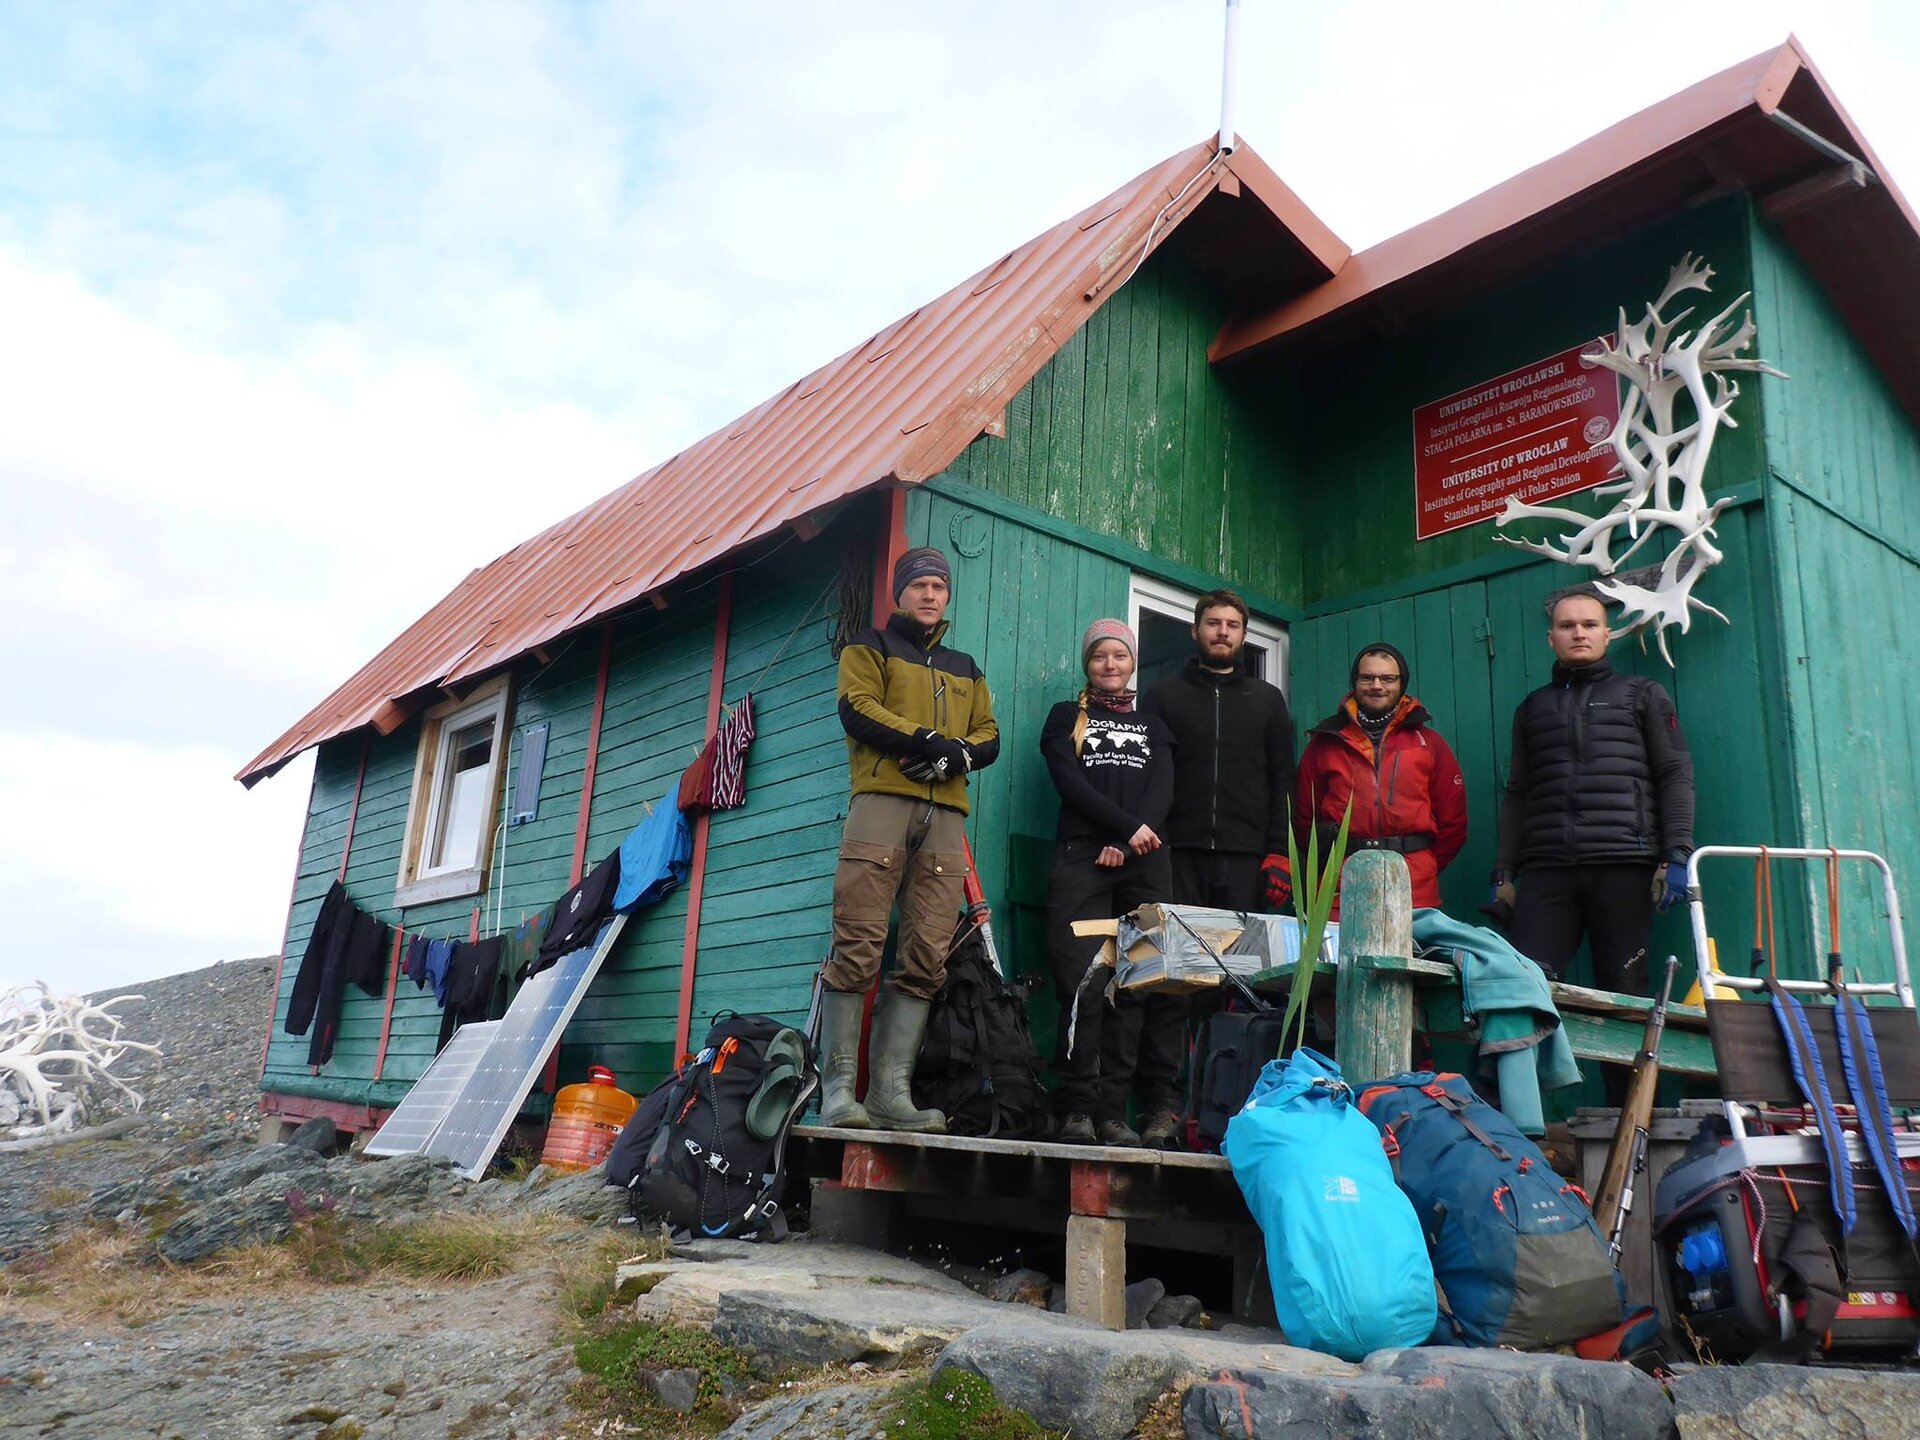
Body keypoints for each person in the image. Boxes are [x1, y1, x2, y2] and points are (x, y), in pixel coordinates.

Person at [817, 546, 1000, 1133]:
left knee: (926, 952)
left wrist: (956, 758)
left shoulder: (966, 665)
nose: (929, 595)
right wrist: (928, 741)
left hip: (945, 813)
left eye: (939, 587)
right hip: (881, 805)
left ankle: (890, 1095)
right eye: (918, 585)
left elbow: (988, 736)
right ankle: (839, 1092)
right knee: (860, 941)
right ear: (900, 592)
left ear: (948, 597)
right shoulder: (868, 647)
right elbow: (858, 710)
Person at [1137, 588, 1296, 1149]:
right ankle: (1163, 1108)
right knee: (1169, 985)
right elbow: (1145, 777)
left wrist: (1278, 853)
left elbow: (1283, 783)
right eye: (1213, 622)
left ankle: (1232, 1108)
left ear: (1244, 633)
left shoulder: (1267, 701)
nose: (1223, 631)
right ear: (1195, 630)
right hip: (1175, 856)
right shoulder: (1161, 696)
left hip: (1248, 861)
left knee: (1244, 987)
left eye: (1232, 624)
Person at [1490, 589, 1695, 997]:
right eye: (1567, 626)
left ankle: (1627, 1067)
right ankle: (1539, 1065)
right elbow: (1518, 793)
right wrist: (1503, 874)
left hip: (1624, 866)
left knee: (1624, 989)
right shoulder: (1532, 709)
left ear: (1607, 634)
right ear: (1551, 638)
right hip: (1547, 869)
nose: (1578, 633)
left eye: (1589, 625)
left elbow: (1674, 773)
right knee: (1524, 985)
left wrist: (1677, 854)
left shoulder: (1642, 694)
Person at [1039, 619, 1177, 1146]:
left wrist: (1132, 838)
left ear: (1132, 662)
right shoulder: (1064, 718)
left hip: (1144, 861)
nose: (1110, 665)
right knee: (1082, 984)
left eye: (1120, 655)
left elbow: (1163, 790)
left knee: (1134, 985)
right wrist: (1123, 829)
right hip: (1082, 857)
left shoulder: (1153, 724)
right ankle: (1076, 1107)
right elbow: (1069, 782)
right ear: (1087, 663)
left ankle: (1114, 1114)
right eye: (1100, 657)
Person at [1293, 642, 1467, 913]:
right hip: (1341, 885)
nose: (1377, 685)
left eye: (1387, 678)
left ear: (1401, 684)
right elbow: (1304, 819)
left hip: (1414, 886)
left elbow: (1453, 823)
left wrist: (1423, 864)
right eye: (1367, 677)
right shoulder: (1324, 743)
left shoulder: (1430, 744)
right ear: (1355, 682)